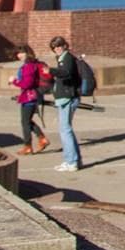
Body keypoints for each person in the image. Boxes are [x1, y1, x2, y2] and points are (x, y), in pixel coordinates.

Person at [48, 35, 82, 172]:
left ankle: (71, 161)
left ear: (64, 45)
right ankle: (74, 160)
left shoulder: (67, 58)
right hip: (65, 97)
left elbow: (66, 73)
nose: (57, 49)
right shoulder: (63, 58)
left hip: (68, 97)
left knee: (65, 130)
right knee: (66, 129)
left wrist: (50, 70)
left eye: (58, 46)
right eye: (54, 48)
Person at [8, 44, 48, 155]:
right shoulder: (32, 64)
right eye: (18, 53)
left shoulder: (28, 66)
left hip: (29, 97)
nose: (19, 55)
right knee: (27, 121)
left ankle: (28, 146)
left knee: (25, 122)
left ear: (28, 53)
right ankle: (42, 139)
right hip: (32, 96)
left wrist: (14, 81)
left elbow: (27, 84)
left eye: (21, 52)